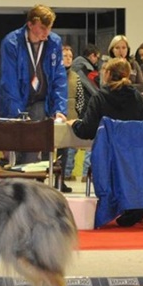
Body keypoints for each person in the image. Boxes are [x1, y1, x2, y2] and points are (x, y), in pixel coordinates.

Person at [68, 58, 143, 226]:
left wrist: (74, 123)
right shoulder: (138, 98)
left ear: (107, 74)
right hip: (134, 161)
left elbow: (87, 130)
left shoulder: (100, 98)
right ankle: (136, 203)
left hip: (109, 160)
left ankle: (110, 205)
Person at [0, 4, 67, 165]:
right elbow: (9, 82)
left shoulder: (54, 42)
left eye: (49, 27)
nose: (46, 32)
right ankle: (10, 166)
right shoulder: (11, 43)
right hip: (16, 102)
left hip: (40, 101)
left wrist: (59, 110)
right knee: (12, 153)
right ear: (30, 24)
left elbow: (59, 78)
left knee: (33, 149)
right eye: (42, 27)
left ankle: (32, 173)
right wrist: (19, 114)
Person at [71, 44, 102, 182]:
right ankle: (85, 173)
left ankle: (67, 172)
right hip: (87, 108)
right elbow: (93, 89)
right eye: (97, 57)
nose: (97, 61)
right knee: (90, 141)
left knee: (71, 143)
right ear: (92, 55)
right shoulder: (86, 69)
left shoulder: (73, 69)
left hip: (77, 109)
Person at [57, 45, 85, 193]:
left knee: (66, 152)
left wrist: (77, 114)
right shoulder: (53, 74)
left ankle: (60, 181)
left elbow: (80, 98)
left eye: (70, 56)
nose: (68, 59)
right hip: (55, 118)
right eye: (65, 56)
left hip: (70, 118)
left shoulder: (76, 76)